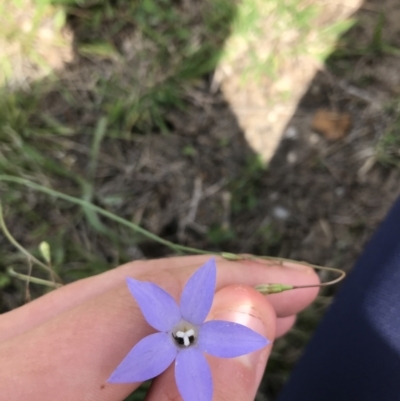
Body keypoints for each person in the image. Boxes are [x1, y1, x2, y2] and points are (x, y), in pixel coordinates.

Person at [0, 254, 319, 400]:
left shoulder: (200, 325)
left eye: (186, 335)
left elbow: (209, 278)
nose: (185, 335)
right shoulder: (166, 323)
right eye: (184, 335)